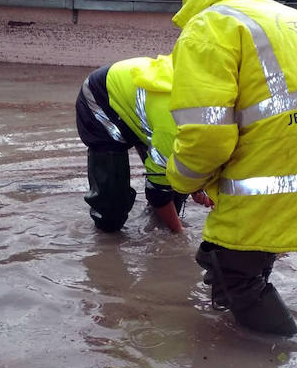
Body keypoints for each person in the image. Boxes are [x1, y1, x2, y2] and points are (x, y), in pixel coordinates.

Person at [166, 0, 297, 336]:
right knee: (237, 259)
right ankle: (243, 336)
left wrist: (182, 182)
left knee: (236, 276)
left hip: (265, 175)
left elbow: (206, 135)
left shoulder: (210, 26)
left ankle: (281, 361)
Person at [75, 54, 211, 233]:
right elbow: (157, 191)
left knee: (174, 187)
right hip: (100, 99)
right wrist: (179, 234)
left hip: (146, 108)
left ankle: (158, 223)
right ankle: (106, 238)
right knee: (111, 212)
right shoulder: (173, 131)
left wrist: (198, 186)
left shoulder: (214, 120)